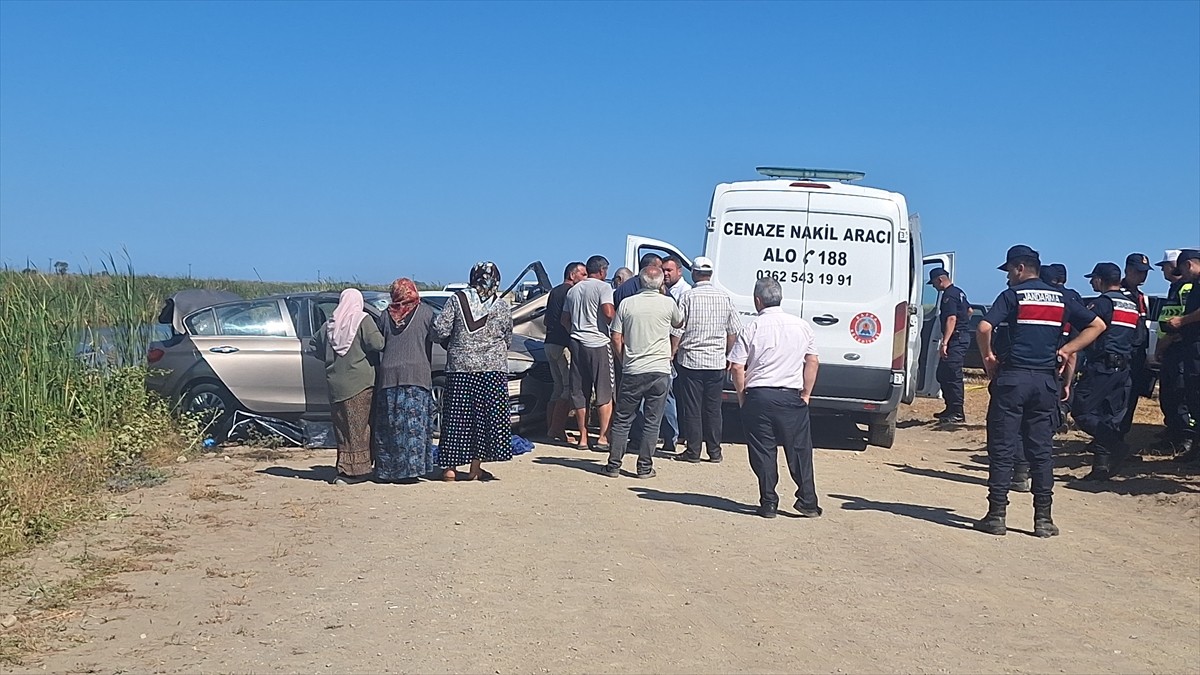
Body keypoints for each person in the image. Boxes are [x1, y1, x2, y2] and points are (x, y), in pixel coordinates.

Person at [975, 245, 1104, 538]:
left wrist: (988, 358)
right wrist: (1067, 349)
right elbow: (1097, 325)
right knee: (1042, 451)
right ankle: (1043, 520)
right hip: (1046, 383)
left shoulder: (1012, 296)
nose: (1007, 277)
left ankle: (996, 516)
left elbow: (983, 327)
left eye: (1009, 270)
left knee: (1003, 448)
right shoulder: (1062, 298)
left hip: (1013, 379)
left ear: (1020, 268)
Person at [728, 277, 821, 519]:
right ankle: (807, 500)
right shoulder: (801, 326)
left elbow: (737, 366)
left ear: (757, 300)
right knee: (799, 449)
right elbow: (812, 360)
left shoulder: (752, 327)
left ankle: (768, 502)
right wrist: (806, 394)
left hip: (759, 395)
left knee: (763, 450)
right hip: (791, 394)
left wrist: (741, 396)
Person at [433, 262, 514, 482]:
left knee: (457, 418)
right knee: (483, 419)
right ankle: (475, 468)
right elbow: (508, 338)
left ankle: (450, 468)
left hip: (460, 369)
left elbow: (440, 329)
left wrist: (452, 343)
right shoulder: (501, 306)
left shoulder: (456, 300)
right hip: (491, 370)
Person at [603, 266, 684, 478]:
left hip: (634, 368)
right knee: (652, 420)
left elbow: (616, 337)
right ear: (660, 284)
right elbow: (679, 322)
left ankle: (614, 464)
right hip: (659, 369)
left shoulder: (627, 304)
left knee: (623, 419)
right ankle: (644, 466)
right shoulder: (668, 303)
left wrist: (624, 359)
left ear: (640, 281)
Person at [1072, 263, 1139, 480]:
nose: (1091, 282)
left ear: (1101, 280)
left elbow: (1086, 331)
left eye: (1093, 278)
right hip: (1124, 367)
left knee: (1081, 410)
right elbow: (1138, 338)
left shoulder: (1101, 304)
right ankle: (1100, 468)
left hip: (1102, 366)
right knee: (1108, 417)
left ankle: (1116, 447)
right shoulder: (1131, 305)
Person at [310, 288, 385, 485]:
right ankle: (359, 470)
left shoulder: (331, 323)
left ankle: (344, 467)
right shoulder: (362, 320)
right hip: (360, 383)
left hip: (335, 384)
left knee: (343, 429)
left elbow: (313, 346)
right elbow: (377, 343)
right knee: (360, 428)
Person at [673, 256, 741, 464]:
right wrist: (730, 354)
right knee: (713, 408)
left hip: (691, 360)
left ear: (693, 273)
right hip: (716, 361)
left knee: (692, 407)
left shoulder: (687, 297)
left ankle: (693, 451)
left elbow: (678, 329)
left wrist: (673, 351)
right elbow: (733, 331)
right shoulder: (725, 297)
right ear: (710, 274)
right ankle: (715, 451)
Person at [372, 278, 438, 483]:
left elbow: (379, 343)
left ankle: (388, 471)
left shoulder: (385, 316)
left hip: (389, 377)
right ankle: (411, 471)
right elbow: (437, 336)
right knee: (414, 428)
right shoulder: (426, 313)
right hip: (417, 376)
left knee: (390, 426)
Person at [564, 255, 616, 451]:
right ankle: (603, 437)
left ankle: (583, 437)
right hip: (598, 342)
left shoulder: (573, 290)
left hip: (577, 342)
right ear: (602, 271)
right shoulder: (603, 288)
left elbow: (564, 319)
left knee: (580, 391)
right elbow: (608, 313)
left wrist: (575, 331)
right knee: (604, 391)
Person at [1153, 249, 1195, 457]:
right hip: (1170, 348)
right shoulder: (1175, 287)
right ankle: (1174, 432)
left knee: (1180, 393)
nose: (1163, 271)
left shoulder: (1187, 287)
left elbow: (1181, 319)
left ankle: (1185, 437)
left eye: (1165, 267)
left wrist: (1166, 342)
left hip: (1179, 348)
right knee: (1169, 393)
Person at [544, 262, 587, 442]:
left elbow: (547, 320)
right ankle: (557, 429)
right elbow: (566, 319)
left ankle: (550, 428)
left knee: (557, 387)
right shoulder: (571, 293)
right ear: (572, 275)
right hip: (563, 344)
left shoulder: (554, 291)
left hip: (549, 344)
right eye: (583, 274)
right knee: (568, 389)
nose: (585, 278)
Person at [1165, 249, 1200, 463]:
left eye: (1182, 270)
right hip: (1191, 347)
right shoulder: (1195, 285)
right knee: (1193, 396)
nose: (1181, 276)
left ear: (1189, 265)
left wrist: (1182, 321)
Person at [1117, 253, 1153, 440]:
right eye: (1139, 272)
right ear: (1128, 270)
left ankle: (1122, 433)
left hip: (1138, 354)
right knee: (1118, 397)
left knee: (1131, 397)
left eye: (1145, 272)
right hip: (1123, 352)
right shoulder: (1118, 293)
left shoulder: (1141, 297)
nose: (1143, 276)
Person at [928, 267, 971, 424]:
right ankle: (950, 409)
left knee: (953, 375)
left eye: (933, 283)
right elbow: (970, 310)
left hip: (956, 339)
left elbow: (951, 318)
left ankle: (958, 412)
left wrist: (945, 342)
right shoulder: (959, 292)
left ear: (940, 280)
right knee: (943, 374)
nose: (933, 287)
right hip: (960, 336)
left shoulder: (949, 295)